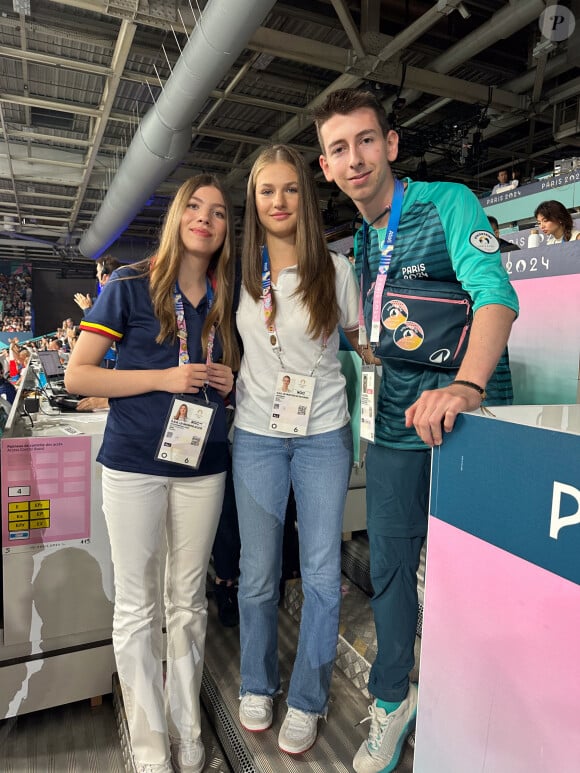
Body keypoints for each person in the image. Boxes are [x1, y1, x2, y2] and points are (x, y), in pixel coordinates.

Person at [314, 88, 519, 773]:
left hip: (466, 426)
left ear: (391, 144)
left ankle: (480, 705)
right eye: (340, 148)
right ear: (327, 167)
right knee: (394, 569)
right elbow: (390, 332)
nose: (356, 157)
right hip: (396, 427)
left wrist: (464, 385)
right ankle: (393, 697)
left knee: (477, 571)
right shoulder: (364, 241)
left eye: (366, 140)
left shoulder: (447, 203)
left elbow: (494, 296)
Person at [64, 173, 240, 773]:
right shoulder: (130, 284)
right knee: (138, 608)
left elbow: (232, 364)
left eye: (218, 212)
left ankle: (188, 732)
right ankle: (148, 748)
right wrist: (163, 379)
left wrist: (227, 378)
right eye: (195, 207)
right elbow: (78, 376)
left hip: (203, 463)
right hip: (136, 462)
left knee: (188, 605)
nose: (206, 219)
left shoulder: (226, 295)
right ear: (176, 217)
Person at [233, 144, 359, 754]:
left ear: (304, 197)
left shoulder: (334, 271)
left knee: (322, 577)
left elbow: (363, 345)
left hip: (322, 436)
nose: (278, 201)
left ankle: (308, 698)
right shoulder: (236, 271)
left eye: (289, 189)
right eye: (266, 190)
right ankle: (257, 682)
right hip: (256, 436)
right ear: (253, 201)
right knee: (257, 576)